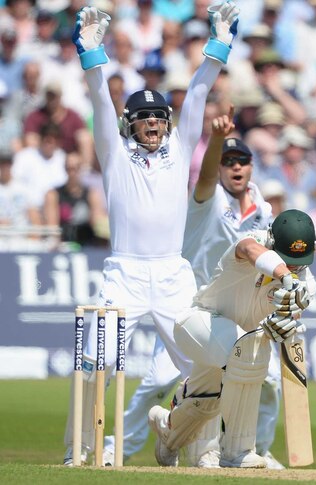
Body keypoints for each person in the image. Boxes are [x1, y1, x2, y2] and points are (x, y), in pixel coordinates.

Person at [62, 1, 240, 466]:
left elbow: (199, 94)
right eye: (146, 119)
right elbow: (101, 100)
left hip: (172, 273)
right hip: (124, 272)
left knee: (206, 364)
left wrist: (219, 42)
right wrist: (92, 49)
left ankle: (201, 448)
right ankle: (86, 450)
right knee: (94, 364)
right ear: (130, 125)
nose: (155, 124)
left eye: (160, 117)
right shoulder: (115, 154)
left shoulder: (180, 149)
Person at [148, 209, 316, 468]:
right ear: (272, 240)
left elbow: (283, 322)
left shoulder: (305, 283)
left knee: (206, 401)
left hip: (231, 346)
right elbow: (249, 250)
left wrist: (283, 323)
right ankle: (236, 451)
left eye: (299, 261)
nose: (294, 267)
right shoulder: (254, 242)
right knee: (249, 351)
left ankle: (168, 430)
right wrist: (285, 276)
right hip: (199, 324)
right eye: (288, 259)